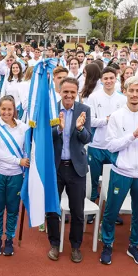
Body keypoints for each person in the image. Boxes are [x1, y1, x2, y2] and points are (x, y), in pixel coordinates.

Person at [99, 76, 138, 266]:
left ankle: (134, 245)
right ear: (125, 91)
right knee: (111, 210)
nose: (134, 94)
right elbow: (110, 146)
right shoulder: (117, 116)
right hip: (121, 171)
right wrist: (132, 136)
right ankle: (107, 244)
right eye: (131, 91)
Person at [46, 78, 91, 262]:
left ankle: (75, 246)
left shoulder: (84, 110)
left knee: (77, 211)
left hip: (76, 168)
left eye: (72, 92)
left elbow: (87, 138)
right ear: (59, 91)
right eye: (65, 92)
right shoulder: (51, 108)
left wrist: (80, 128)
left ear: (77, 92)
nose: (69, 95)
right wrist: (58, 129)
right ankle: (55, 245)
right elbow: (44, 137)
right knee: (52, 210)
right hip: (55, 167)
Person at [0, 95, 29, 256]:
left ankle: (9, 238)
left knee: (12, 208)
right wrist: (19, 161)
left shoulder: (23, 128)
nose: (6, 112)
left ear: (14, 110)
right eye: (3, 109)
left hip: (16, 175)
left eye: (9, 109)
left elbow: (29, 147)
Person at [84, 67, 126, 222]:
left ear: (116, 79)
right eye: (105, 78)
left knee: (114, 181)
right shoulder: (94, 97)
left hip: (114, 146)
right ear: (101, 80)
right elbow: (90, 120)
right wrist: (107, 120)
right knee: (93, 180)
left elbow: (124, 120)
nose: (108, 81)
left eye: (111, 78)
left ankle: (113, 212)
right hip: (96, 145)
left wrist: (112, 120)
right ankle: (91, 210)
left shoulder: (122, 99)